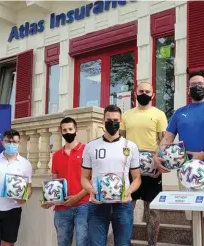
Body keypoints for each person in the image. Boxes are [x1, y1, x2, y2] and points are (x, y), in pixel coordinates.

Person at [158, 71, 204, 246]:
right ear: (187, 90)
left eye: (200, 84)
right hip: (186, 172)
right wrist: (158, 156)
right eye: (192, 85)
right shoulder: (179, 113)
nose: (196, 87)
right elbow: (167, 139)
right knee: (194, 216)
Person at [81, 105, 141, 246]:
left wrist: (129, 191)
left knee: (123, 244)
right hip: (98, 205)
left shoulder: (130, 146)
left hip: (123, 205)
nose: (112, 123)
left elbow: (137, 178)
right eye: (109, 119)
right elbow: (84, 178)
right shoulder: (91, 147)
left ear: (120, 122)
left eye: (116, 120)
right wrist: (91, 191)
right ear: (103, 121)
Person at [120, 81, 168, 246]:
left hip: (152, 169)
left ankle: (152, 244)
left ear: (153, 94)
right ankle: (123, 242)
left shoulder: (159, 114)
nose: (144, 93)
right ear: (135, 93)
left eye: (148, 91)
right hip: (131, 168)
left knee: (153, 211)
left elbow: (164, 142)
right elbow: (121, 141)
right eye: (141, 91)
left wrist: (161, 166)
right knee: (126, 209)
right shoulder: (126, 116)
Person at [41, 117, 89, 246]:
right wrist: (49, 200)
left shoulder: (87, 151)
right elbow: (55, 182)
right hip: (62, 208)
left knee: (82, 242)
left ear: (76, 130)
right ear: (61, 132)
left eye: (70, 129)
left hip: (83, 205)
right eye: (64, 130)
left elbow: (92, 180)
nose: (68, 132)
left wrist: (76, 198)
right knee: (62, 243)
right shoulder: (56, 155)